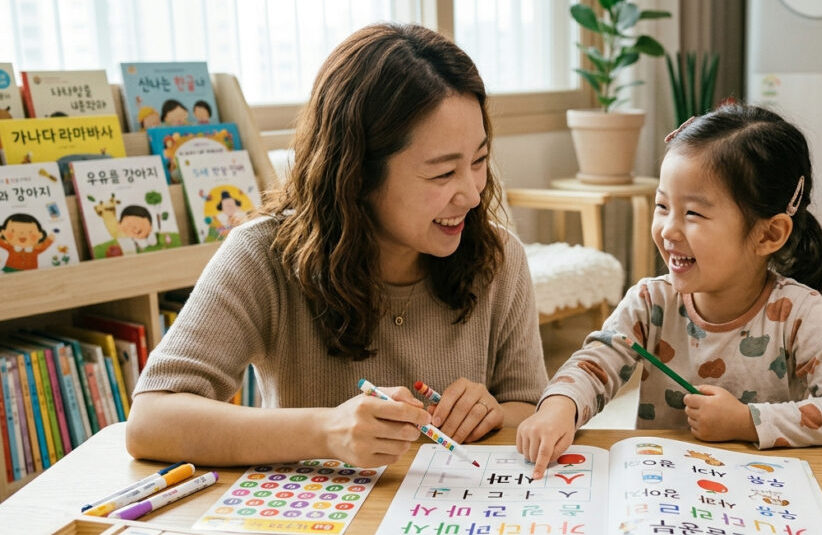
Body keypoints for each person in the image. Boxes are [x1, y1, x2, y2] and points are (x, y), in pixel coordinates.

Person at [127, 23, 548, 468]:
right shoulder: (263, 255)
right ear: (358, 174)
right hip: (317, 527)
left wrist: (495, 413)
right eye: (443, 173)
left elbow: (533, 409)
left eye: (480, 161)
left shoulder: (497, 257)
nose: (472, 193)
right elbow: (151, 420)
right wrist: (326, 431)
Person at [517, 104, 822, 479]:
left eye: (693, 214)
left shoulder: (800, 313)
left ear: (769, 234)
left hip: (763, 492)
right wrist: (559, 405)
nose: (668, 230)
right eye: (662, 206)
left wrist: (745, 421)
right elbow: (594, 366)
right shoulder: (649, 302)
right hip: (664, 489)